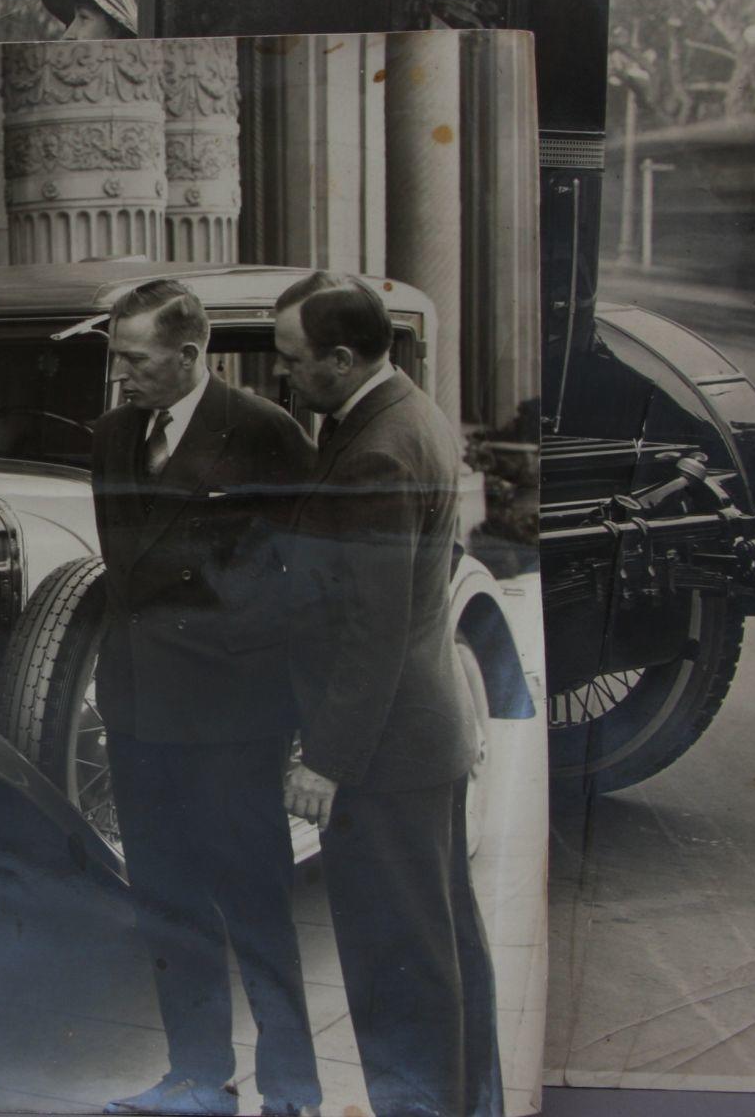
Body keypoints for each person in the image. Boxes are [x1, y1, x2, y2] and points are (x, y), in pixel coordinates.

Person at [273, 272, 502, 1117]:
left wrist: (327, 762)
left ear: (340, 357)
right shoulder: (403, 413)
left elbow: (374, 626)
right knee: (440, 955)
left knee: (395, 963)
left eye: (293, 360)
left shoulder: (375, 449)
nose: (282, 375)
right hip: (415, 735)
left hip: (385, 750)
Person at [91, 279, 321, 1117]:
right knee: (166, 904)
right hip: (142, 710)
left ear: (190, 355)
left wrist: (301, 729)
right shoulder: (114, 434)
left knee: (254, 904)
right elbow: (125, 573)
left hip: (233, 717)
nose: (122, 376)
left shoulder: (266, 433)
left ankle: (293, 1088)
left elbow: (308, 584)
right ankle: (195, 1079)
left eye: (136, 359)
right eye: (117, 358)